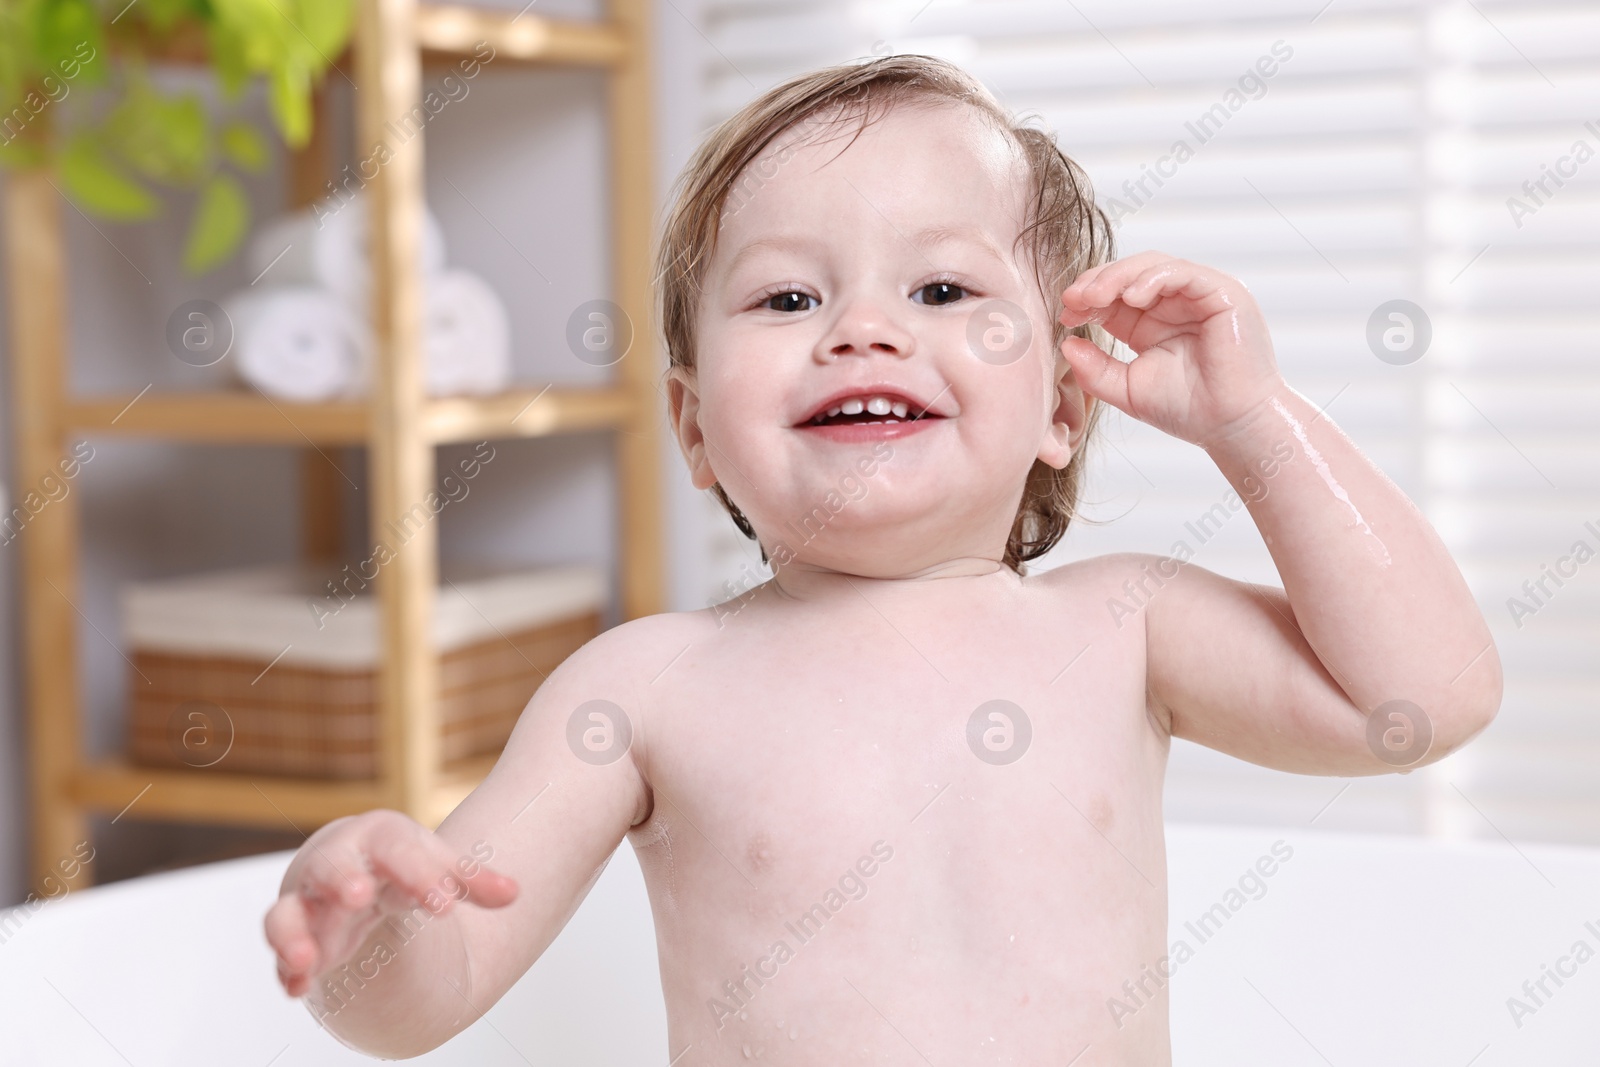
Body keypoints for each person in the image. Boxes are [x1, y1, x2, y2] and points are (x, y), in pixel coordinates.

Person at [263, 54, 1501, 1064]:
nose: (864, 327)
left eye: (944, 286)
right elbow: (434, 992)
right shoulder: (640, 688)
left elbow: (1418, 703)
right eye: (788, 300)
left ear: (1064, 409)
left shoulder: (1126, 626)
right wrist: (375, 930)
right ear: (695, 428)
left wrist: (1254, 419)